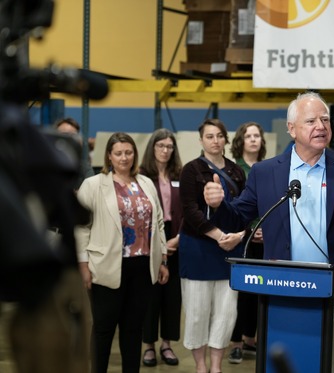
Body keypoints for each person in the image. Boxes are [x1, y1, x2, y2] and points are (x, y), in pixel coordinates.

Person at [203, 92, 334, 373]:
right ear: (291, 129)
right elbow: (237, 218)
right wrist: (218, 205)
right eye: (311, 120)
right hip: (283, 289)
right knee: (286, 363)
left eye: (325, 120)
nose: (321, 126)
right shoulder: (265, 172)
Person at [75, 132, 169, 373]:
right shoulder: (94, 184)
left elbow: (157, 222)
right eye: (118, 153)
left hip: (143, 266)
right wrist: (83, 265)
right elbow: (81, 227)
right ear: (109, 155)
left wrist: (162, 260)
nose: (124, 157)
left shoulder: (145, 183)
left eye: (128, 152)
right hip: (106, 266)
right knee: (104, 328)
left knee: (133, 329)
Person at [178, 118, 246, 373]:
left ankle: (216, 366)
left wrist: (238, 235)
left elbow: (243, 211)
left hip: (231, 251)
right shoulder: (191, 170)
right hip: (198, 250)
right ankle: (200, 366)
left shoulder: (236, 171)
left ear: (225, 139)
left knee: (226, 313)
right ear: (201, 140)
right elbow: (190, 211)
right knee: (197, 312)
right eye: (209, 136)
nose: (215, 141)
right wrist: (219, 236)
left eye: (219, 135)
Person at [140, 129, 183, 367]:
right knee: (151, 295)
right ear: (152, 148)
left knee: (172, 296)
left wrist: (177, 239)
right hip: (150, 239)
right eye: (161, 146)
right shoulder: (142, 175)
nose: (165, 150)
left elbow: (188, 208)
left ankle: (167, 344)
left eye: (169, 146)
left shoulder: (180, 174)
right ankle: (149, 346)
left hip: (176, 236)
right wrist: (159, 244)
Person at [227, 121, 267, 364]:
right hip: (241, 237)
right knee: (241, 292)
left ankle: (251, 338)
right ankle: (236, 342)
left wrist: (266, 229)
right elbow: (236, 207)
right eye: (248, 136)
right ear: (241, 140)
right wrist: (251, 228)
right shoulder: (234, 169)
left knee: (259, 290)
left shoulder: (267, 168)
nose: (253, 139)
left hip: (265, 238)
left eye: (257, 136)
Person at [54, 117, 95, 188]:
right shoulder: (44, 166)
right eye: (64, 135)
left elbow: (91, 193)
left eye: (73, 136)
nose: (69, 139)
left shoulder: (85, 169)